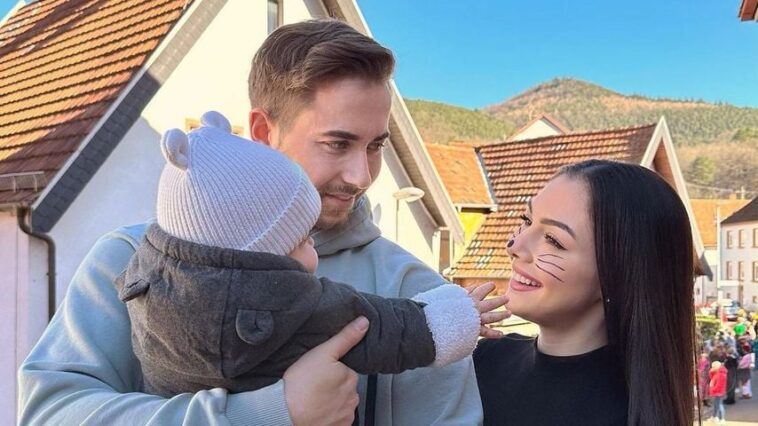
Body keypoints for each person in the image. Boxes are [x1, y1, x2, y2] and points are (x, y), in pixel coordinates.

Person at [19, 19, 485, 425]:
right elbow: (50, 415)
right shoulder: (130, 262)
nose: (361, 176)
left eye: (376, 146)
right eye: (338, 144)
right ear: (263, 131)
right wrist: (267, 414)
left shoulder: (416, 294)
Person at [119, 111, 506, 397]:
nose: (313, 251)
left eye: (375, 146)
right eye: (303, 239)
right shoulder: (279, 301)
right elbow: (380, 326)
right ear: (261, 255)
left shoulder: (145, 273)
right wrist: (455, 316)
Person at [473, 160, 696, 425]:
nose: (514, 245)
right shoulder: (485, 359)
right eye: (527, 220)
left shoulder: (624, 415)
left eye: (553, 240)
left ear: (619, 275)